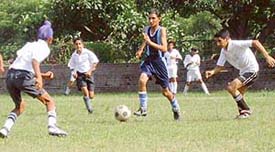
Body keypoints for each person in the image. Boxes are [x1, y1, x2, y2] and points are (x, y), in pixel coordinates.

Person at [0, 20, 68, 138]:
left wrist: (42, 75)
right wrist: (40, 79)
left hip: (10, 76)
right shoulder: (45, 48)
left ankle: (5, 129)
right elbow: (34, 61)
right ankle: (52, 127)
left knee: (20, 106)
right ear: (50, 39)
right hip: (23, 77)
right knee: (49, 101)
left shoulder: (29, 45)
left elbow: (22, 65)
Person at [205, 29, 275, 119]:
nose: (218, 44)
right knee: (239, 93)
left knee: (231, 87)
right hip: (243, 71)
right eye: (216, 41)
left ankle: (246, 110)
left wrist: (267, 56)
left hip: (252, 70)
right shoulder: (224, 51)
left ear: (227, 39)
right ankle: (243, 114)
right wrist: (212, 71)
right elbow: (219, 66)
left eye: (219, 41)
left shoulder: (236, 44)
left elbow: (255, 42)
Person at [134, 8, 181, 120]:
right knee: (142, 80)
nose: (151, 21)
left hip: (159, 62)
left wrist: (150, 42)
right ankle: (143, 108)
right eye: (149, 18)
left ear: (159, 19)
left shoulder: (162, 30)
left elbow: (164, 48)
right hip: (149, 60)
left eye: (153, 18)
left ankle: (175, 107)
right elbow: (145, 40)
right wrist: (141, 49)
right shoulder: (147, 29)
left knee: (166, 92)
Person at [67, 37, 99, 114]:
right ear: (74, 45)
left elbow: (95, 62)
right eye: (76, 44)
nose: (78, 46)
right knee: (85, 91)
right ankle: (89, 109)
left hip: (88, 74)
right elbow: (71, 66)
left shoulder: (88, 53)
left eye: (79, 44)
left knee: (91, 95)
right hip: (80, 75)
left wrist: (90, 71)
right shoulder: (74, 55)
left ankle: (88, 102)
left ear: (82, 44)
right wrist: (73, 73)